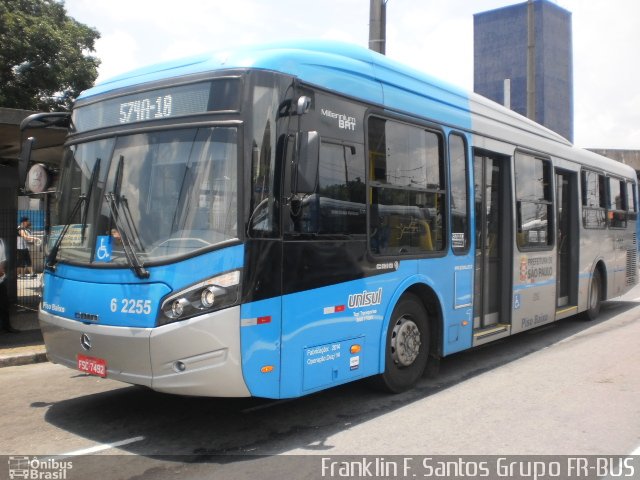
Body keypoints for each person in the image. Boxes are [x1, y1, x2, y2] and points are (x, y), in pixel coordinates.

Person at [0, 237, 17, 333]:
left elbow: (3, 259)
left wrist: (1, 269)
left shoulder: (1, 241)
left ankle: (6, 326)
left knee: (4, 304)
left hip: (1, 279)